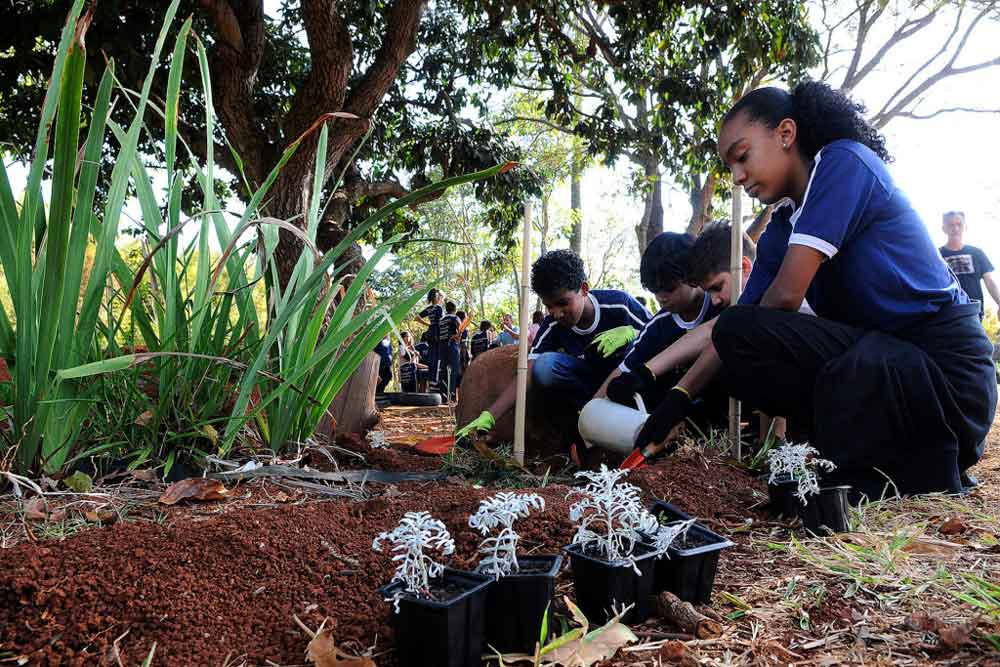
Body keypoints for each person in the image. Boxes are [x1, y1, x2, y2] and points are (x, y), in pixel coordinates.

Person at [622, 82, 996, 499]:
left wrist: (734, 335)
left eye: (742, 157)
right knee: (739, 349)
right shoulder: (781, 228)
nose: (737, 177)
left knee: (742, 336)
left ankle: (915, 463)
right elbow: (728, 329)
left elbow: (776, 303)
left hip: (946, 375)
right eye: (730, 167)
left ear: (785, 134)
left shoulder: (844, 164)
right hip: (882, 362)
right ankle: (865, 465)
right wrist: (676, 399)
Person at [455, 249, 652, 442]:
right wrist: (489, 416)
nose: (557, 313)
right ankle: (579, 423)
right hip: (588, 389)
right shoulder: (552, 325)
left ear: (584, 289)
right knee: (544, 365)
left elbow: (661, 335)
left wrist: (632, 333)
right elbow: (529, 370)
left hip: (626, 385)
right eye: (549, 307)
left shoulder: (620, 304)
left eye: (563, 303)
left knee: (640, 346)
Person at [595, 231, 722, 408]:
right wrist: (591, 410)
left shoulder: (720, 302)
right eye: (655, 291)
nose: (661, 298)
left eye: (669, 289)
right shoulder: (657, 327)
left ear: (693, 277)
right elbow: (623, 370)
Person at [939, 211, 1000, 321]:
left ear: (965, 227)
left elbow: (990, 281)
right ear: (944, 229)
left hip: (974, 313)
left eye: (959, 224)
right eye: (951, 225)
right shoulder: (937, 256)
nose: (955, 228)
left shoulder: (977, 253)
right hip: (947, 313)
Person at [415, 289, 444, 392]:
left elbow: (417, 317)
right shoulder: (439, 308)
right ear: (437, 297)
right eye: (439, 296)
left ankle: (432, 379)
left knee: (432, 356)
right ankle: (434, 381)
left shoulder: (429, 308)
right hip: (437, 333)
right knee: (436, 357)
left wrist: (428, 324)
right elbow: (441, 322)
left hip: (430, 332)